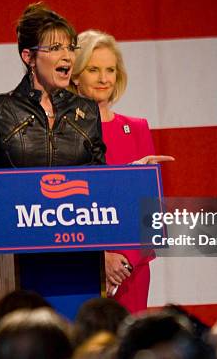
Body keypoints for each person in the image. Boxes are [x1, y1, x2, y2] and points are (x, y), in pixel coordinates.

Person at [70, 30, 173, 313]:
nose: (104, 78)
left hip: (131, 271)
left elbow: (151, 212)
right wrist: (99, 258)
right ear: (76, 75)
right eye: (93, 69)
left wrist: (123, 260)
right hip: (79, 268)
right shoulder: (61, 134)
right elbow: (63, 207)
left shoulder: (137, 128)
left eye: (110, 70)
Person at [0, 3, 105, 170]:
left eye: (71, 48)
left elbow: (102, 180)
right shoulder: (0, 110)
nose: (67, 57)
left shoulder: (88, 111)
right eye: (55, 48)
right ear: (29, 58)